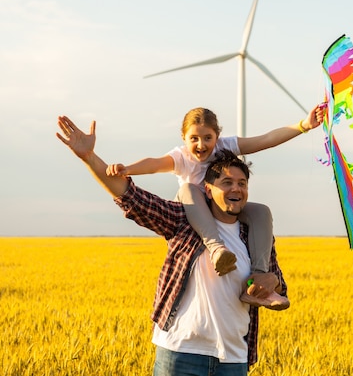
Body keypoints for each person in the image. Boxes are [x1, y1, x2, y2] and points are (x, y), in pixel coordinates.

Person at [56, 115, 287, 375]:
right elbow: (130, 195)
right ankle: (216, 248)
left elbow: (278, 283)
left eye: (242, 183)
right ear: (208, 190)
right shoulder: (183, 220)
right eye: (227, 183)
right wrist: (90, 158)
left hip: (234, 358)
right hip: (181, 354)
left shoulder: (252, 232)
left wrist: (271, 281)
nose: (236, 189)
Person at [106, 106, 323, 309]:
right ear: (184, 138)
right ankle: (217, 249)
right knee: (189, 188)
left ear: (217, 136)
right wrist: (128, 169)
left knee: (261, 211)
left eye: (207, 138)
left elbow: (264, 140)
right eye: (194, 139)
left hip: (221, 205)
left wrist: (303, 125)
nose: (201, 145)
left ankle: (258, 281)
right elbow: (154, 164)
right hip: (193, 209)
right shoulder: (181, 156)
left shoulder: (225, 147)